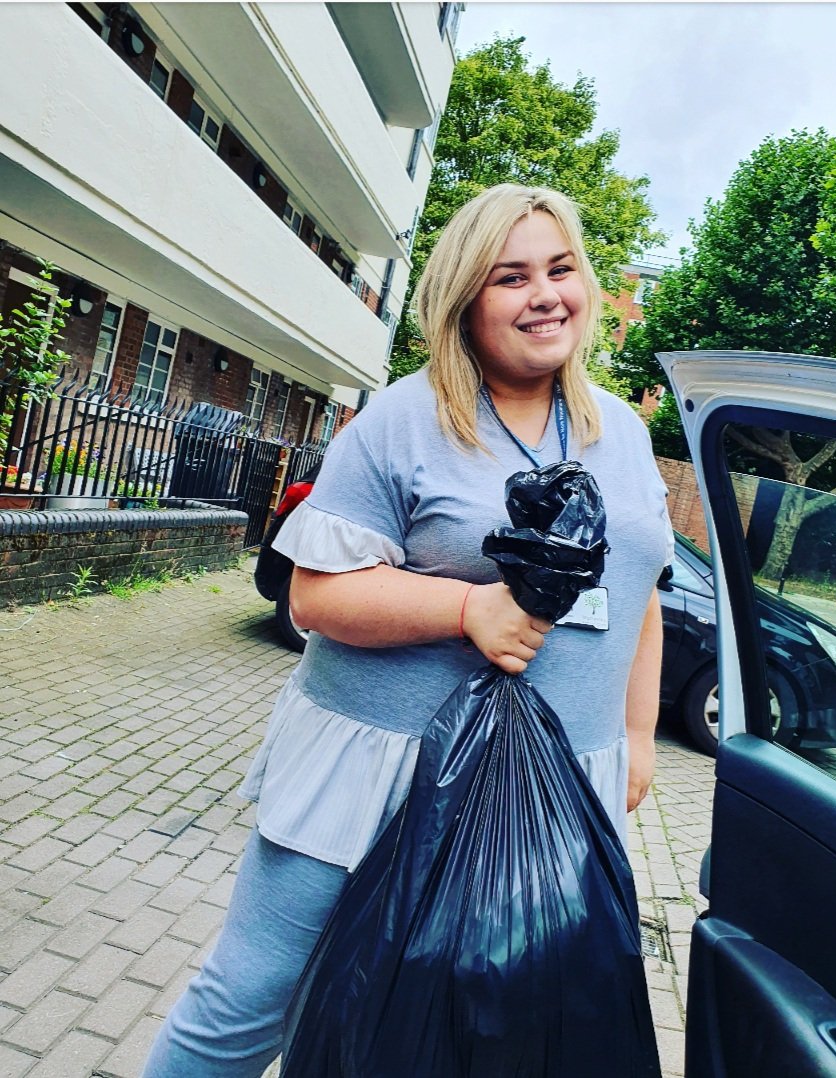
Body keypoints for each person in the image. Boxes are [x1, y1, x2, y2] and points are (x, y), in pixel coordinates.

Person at [143, 183, 673, 1077]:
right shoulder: (403, 420)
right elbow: (314, 597)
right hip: (375, 769)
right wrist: (466, 608)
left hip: (558, 783)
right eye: (511, 277)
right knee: (254, 996)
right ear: (464, 299)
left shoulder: (619, 432)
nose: (545, 295)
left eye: (560, 269)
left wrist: (636, 739)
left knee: (489, 1027)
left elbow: (640, 593)